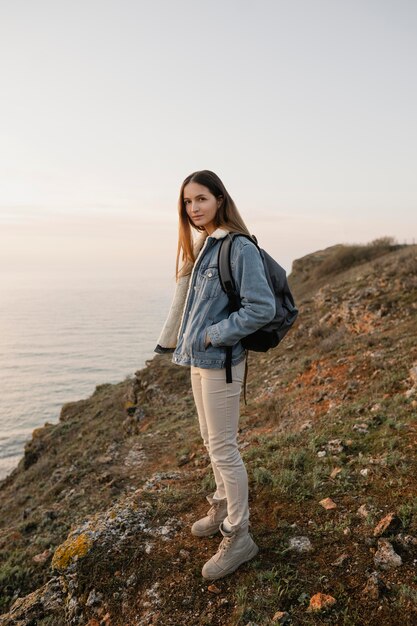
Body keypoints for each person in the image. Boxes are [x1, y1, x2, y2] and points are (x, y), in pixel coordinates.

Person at [155, 169, 276, 580]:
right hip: (200, 362)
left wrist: (213, 334)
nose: (193, 208)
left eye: (201, 199)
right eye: (188, 202)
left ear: (220, 199)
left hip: (222, 361)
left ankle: (239, 535)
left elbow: (262, 308)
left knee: (224, 447)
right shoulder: (206, 246)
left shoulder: (238, 247)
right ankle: (222, 504)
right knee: (210, 441)